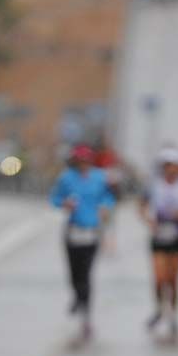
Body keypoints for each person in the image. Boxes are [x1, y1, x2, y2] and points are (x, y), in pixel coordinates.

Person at [49, 145, 116, 344]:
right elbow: (54, 198)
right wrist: (64, 204)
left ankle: (86, 315)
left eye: (86, 160)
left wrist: (106, 207)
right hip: (73, 231)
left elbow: (108, 197)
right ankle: (77, 296)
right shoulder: (66, 178)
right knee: (73, 273)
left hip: (92, 231)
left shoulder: (100, 177)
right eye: (80, 161)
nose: (83, 164)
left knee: (86, 274)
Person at [140, 148, 178, 341]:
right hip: (159, 236)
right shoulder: (154, 186)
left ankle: (173, 314)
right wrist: (149, 221)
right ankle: (158, 308)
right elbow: (142, 205)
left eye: (174, 167)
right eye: (167, 167)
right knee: (159, 278)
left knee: (173, 280)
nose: (171, 170)